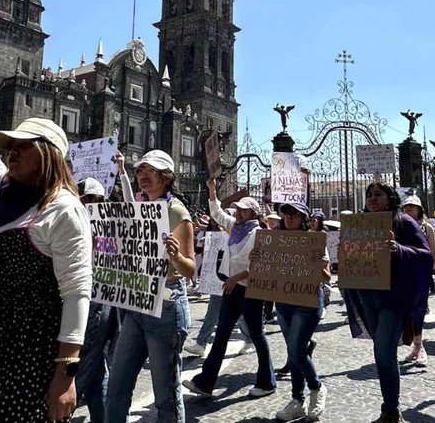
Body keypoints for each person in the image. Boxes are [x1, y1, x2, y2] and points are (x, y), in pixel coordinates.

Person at [0, 46, 92, 423]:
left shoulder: (65, 210)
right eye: (10, 147)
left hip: (30, 349)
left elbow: (76, 295)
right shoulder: (4, 189)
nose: (12, 153)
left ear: (49, 155)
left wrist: (65, 374)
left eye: (24, 147)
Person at [104, 150, 195, 423]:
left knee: (165, 394)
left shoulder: (177, 211)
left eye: (151, 171)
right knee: (118, 384)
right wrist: (121, 170)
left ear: (166, 177)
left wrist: (176, 256)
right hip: (137, 303)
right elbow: (130, 205)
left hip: (166, 307)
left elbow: (190, 269)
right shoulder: (142, 205)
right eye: (140, 170)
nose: (143, 175)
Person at [344, 182, 432, 423]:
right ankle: (390, 411)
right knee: (382, 352)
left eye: (378, 195)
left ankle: (391, 412)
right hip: (368, 298)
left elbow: (426, 255)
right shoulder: (359, 224)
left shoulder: (403, 221)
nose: (372, 199)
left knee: (383, 353)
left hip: (393, 299)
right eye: (369, 195)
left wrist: (399, 249)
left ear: (390, 199)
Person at [183, 180, 274, 400]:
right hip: (232, 288)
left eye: (243, 210)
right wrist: (212, 191)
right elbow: (217, 213)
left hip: (250, 290)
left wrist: (237, 278)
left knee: (257, 334)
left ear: (252, 213)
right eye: (238, 210)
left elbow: (261, 265)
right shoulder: (235, 228)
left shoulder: (259, 234)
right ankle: (206, 382)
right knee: (222, 333)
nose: (239, 213)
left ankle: (267, 381)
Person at [271, 202, 330, 422]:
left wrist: (320, 265)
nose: (289, 218)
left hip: (308, 301)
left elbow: (326, 278)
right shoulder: (275, 242)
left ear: (304, 219)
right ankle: (298, 400)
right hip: (284, 301)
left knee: (296, 350)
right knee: (293, 350)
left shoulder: (314, 241)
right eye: (286, 214)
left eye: (295, 214)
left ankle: (316, 387)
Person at [74, 179, 116, 423]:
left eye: (88, 199)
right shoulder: (78, 220)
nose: (83, 203)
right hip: (85, 298)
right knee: (96, 368)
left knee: (81, 362)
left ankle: (62, 413)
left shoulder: (104, 226)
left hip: (95, 300)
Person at [397, 193, 435, 367]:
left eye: (412, 206)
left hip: (419, 276)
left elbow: (434, 251)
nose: (408, 209)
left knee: (418, 311)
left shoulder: (426, 228)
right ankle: (414, 346)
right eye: (406, 206)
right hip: (401, 275)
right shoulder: (398, 226)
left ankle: (419, 347)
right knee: (404, 312)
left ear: (419, 209)